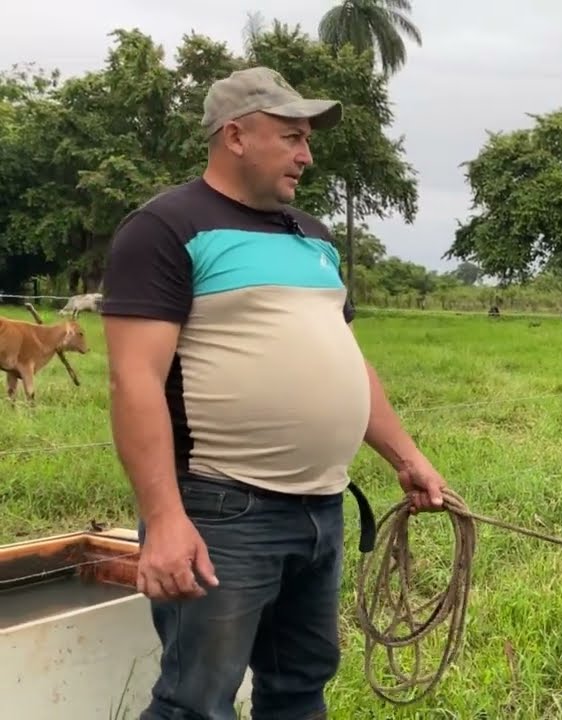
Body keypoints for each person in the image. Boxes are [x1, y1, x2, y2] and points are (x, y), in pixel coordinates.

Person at [99, 66, 448, 720]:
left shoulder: (311, 236)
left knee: (299, 688)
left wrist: (406, 457)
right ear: (235, 135)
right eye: (291, 137)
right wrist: (167, 521)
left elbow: (347, 359)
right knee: (196, 701)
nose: (306, 155)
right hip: (222, 508)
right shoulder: (165, 229)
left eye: (307, 140)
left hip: (320, 510)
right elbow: (134, 380)